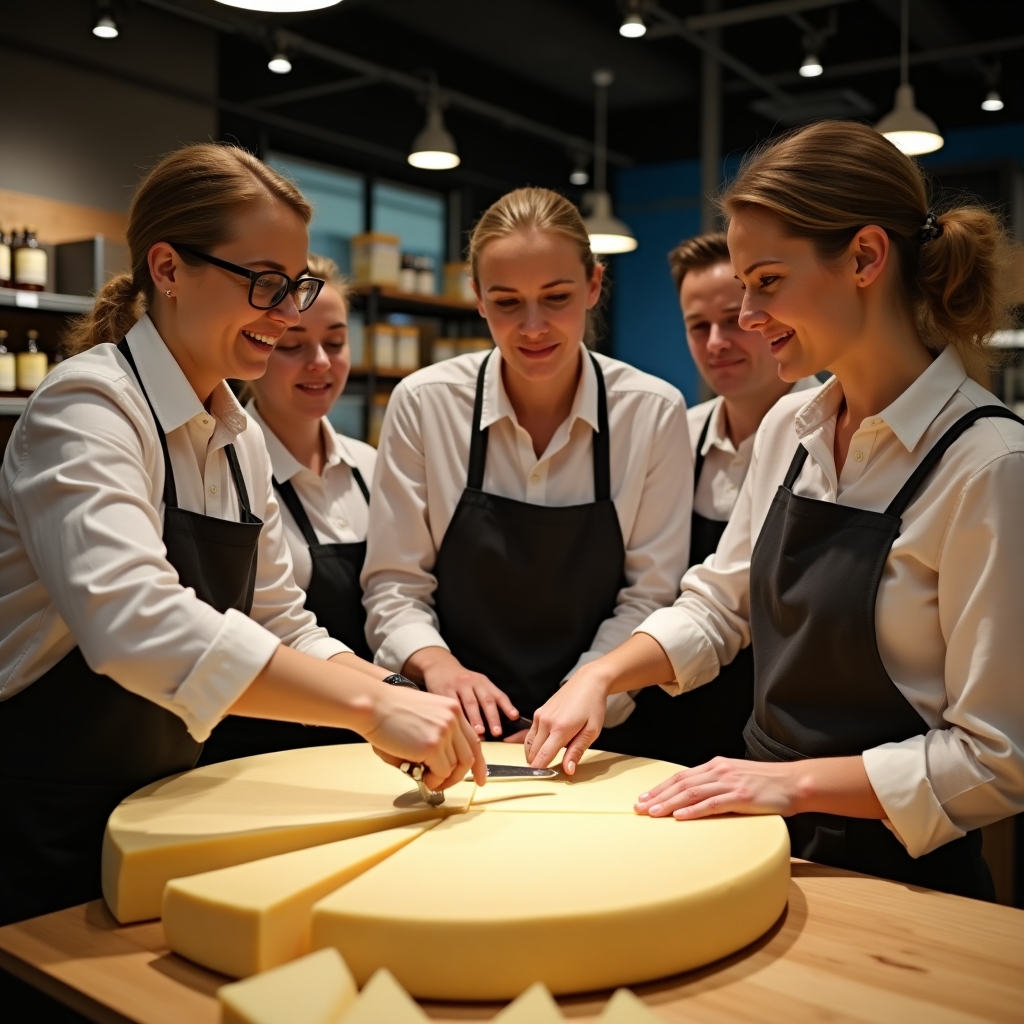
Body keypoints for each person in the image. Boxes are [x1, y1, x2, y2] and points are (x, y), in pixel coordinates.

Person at [525, 120, 1024, 900]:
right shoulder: (794, 428)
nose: (748, 315)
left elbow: (1000, 759)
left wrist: (790, 785)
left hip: (901, 873)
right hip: (764, 839)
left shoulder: (988, 465)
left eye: (765, 281)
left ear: (864, 257)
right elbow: (720, 607)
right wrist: (603, 675)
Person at [0, 144, 483, 928]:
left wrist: (390, 692)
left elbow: (278, 617)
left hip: (169, 804)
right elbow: (131, 623)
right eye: (264, 284)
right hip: (43, 812)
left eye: (295, 286)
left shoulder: (235, 431)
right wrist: (366, 709)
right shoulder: (88, 408)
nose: (289, 315)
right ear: (168, 268)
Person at [361, 187, 692, 741]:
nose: (533, 326)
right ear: (479, 299)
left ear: (593, 285)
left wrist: (583, 696)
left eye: (556, 297)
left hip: (599, 733)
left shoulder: (653, 412)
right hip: (450, 730)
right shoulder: (424, 403)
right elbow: (395, 585)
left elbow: (650, 595)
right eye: (508, 302)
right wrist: (439, 668)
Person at [599, 233, 817, 765]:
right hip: (664, 716)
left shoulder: (838, 435)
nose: (718, 340)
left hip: (783, 737)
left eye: (734, 317)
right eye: (699, 326)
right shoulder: (675, 436)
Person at [199, 254, 375, 763]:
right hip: (261, 748)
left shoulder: (373, 466)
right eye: (293, 345)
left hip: (367, 742)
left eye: (336, 342)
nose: (320, 361)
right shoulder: (224, 466)